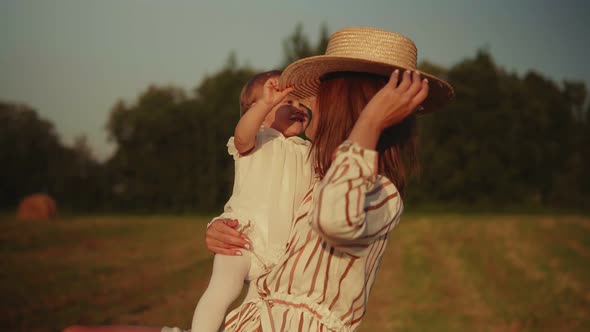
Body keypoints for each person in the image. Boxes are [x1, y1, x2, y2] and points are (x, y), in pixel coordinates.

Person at [204, 26, 454, 331]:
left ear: (344, 103)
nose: (308, 103)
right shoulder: (317, 177)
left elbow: (334, 220)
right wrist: (222, 228)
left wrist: (370, 123)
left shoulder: (378, 191)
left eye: (319, 93)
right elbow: (265, 211)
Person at [190, 71, 314, 332]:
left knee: (258, 309)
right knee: (222, 290)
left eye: (301, 104)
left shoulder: (307, 151)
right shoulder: (257, 138)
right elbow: (242, 135)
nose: (298, 108)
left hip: (280, 251)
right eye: (287, 102)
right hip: (241, 236)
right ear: (255, 111)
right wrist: (264, 104)